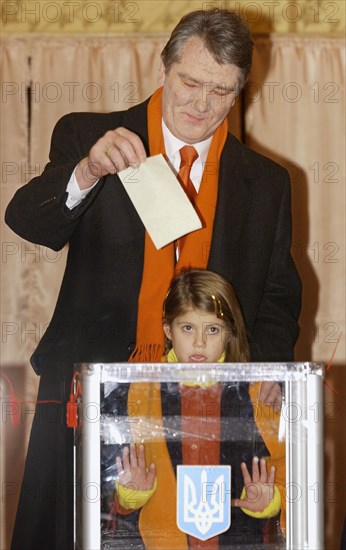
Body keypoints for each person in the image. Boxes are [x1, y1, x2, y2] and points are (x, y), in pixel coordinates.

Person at [5, 8, 301, 550]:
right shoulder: (89, 135)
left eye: (222, 91)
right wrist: (88, 171)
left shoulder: (268, 182)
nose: (201, 103)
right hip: (88, 393)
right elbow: (27, 219)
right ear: (162, 67)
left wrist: (265, 372)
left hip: (210, 405)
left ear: (239, 93)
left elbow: (279, 293)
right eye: (190, 82)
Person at [111, 269, 284, 548]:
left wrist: (270, 501)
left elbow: (285, 468)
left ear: (228, 334)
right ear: (168, 330)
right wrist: (131, 493)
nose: (199, 342)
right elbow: (107, 480)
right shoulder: (138, 391)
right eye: (187, 328)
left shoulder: (258, 392)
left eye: (212, 329)